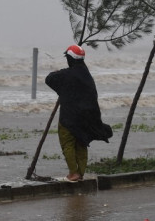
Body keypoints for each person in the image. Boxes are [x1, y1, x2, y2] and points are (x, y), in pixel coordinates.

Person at [45, 44, 112, 181]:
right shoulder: (87, 76)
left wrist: (62, 77)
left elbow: (49, 79)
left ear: (70, 58)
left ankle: (73, 173)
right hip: (86, 117)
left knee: (67, 143)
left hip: (69, 117)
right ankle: (80, 173)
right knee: (81, 143)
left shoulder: (66, 74)